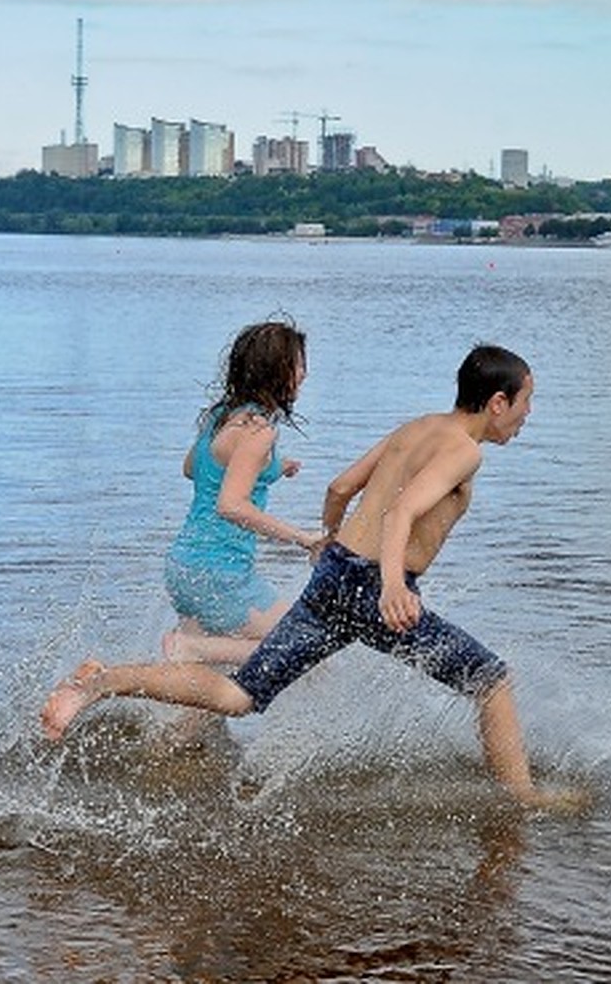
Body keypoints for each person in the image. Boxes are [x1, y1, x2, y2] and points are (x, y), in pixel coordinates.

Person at [42, 344, 576, 810]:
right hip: (375, 588)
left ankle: (103, 681)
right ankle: (522, 799)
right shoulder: (462, 450)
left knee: (241, 696)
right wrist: (392, 585)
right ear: (498, 402)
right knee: (491, 681)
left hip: (335, 576)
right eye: (526, 402)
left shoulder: (416, 428)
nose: (528, 415)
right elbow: (401, 513)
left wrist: (329, 540)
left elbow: (342, 487)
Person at [159, 319, 324, 667]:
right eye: (298, 364)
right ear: (277, 371)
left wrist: (273, 467)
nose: (304, 374)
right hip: (220, 573)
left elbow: (194, 468)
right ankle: (190, 648)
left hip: (184, 568)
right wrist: (303, 539)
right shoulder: (258, 431)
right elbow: (231, 505)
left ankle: (106, 686)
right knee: (304, 644)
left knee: (200, 699)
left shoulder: (221, 416)